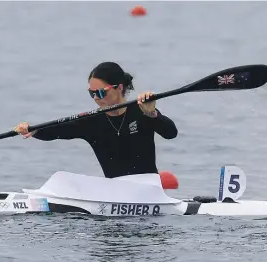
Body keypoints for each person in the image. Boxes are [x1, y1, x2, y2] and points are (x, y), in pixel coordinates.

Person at [14, 61, 178, 178]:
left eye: (100, 93)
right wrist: (33, 129)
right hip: (115, 193)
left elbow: (171, 133)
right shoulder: (92, 121)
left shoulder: (141, 110)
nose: (96, 98)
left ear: (119, 88)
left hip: (148, 190)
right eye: (92, 94)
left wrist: (152, 115)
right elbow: (57, 131)